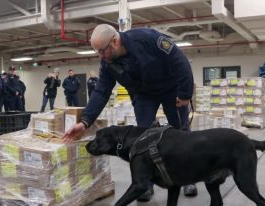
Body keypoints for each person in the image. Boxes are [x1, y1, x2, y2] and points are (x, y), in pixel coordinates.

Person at [62, 24, 197, 201]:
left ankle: (187, 177)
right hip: (144, 95)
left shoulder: (148, 39)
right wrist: (85, 121)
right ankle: (146, 185)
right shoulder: (108, 63)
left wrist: (185, 94)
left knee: (181, 133)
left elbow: (179, 61)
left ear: (115, 41)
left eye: (102, 51)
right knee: (143, 139)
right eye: (97, 52)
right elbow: (101, 91)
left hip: (171, 89)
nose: (100, 56)